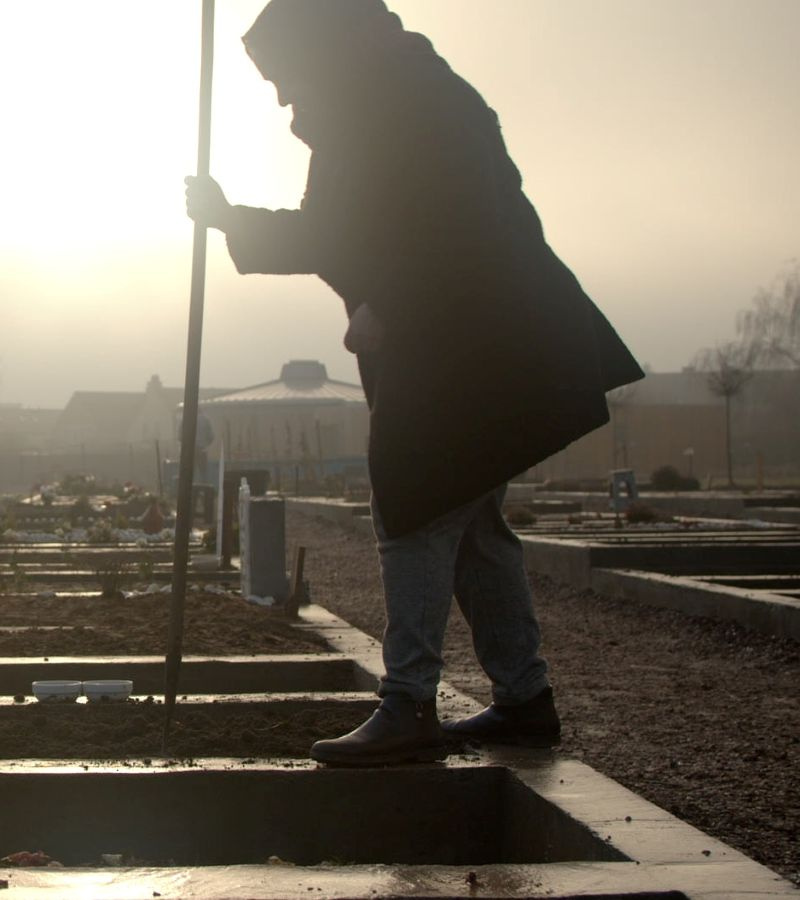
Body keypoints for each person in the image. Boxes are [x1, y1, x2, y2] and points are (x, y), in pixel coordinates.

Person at [185, 0, 644, 766]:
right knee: (472, 529)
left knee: (414, 501)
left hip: (476, 343)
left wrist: (392, 303)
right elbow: (337, 231)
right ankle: (523, 700)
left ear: (321, 49)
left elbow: (464, 222)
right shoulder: (366, 103)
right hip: (461, 345)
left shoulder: (412, 97)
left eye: (284, 74)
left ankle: (409, 704)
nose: (282, 95)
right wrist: (232, 218)